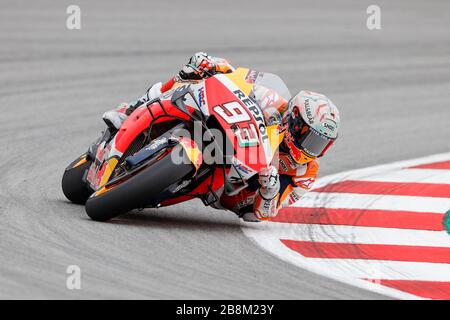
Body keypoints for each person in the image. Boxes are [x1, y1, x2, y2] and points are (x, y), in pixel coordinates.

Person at [102, 52, 340, 222]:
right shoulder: (273, 101)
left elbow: (265, 214)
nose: (313, 149)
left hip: (234, 190)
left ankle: (160, 183)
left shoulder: (305, 173)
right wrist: (217, 67)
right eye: (311, 138)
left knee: (250, 214)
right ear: (295, 121)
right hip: (225, 131)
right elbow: (238, 81)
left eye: (321, 144)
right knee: (191, 75)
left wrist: (269, 191)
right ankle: (131, 111)